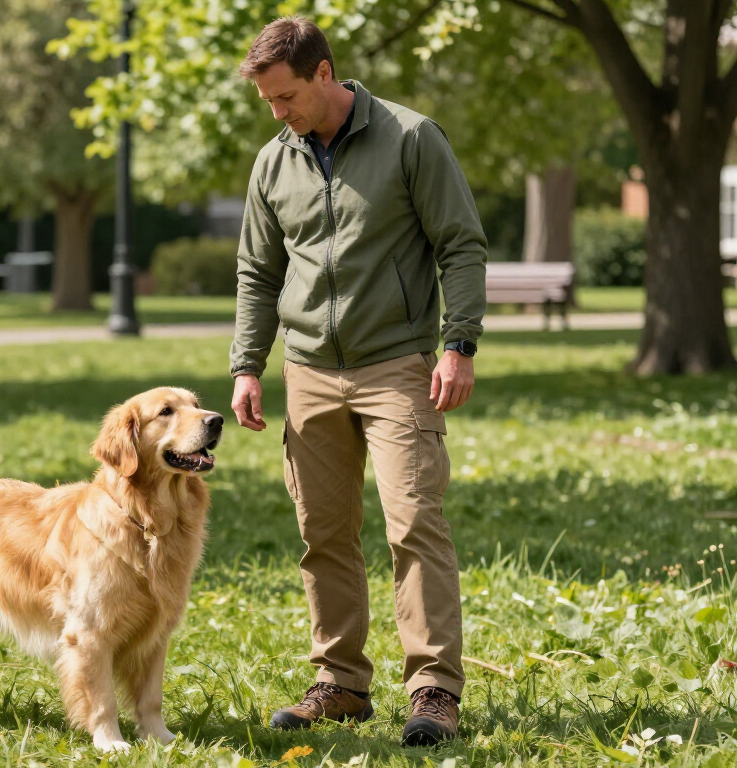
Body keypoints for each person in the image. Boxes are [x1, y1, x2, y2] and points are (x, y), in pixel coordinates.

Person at [228, 16, 487, 747]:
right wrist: (248, 365)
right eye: (269, 104)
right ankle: (339, 683)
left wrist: (457, 345)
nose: (280, 114)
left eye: (286, 98)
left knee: (414, 525)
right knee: (323, 535)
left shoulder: (410, 138)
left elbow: (460, 244)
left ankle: (433, 689)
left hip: (398, 366)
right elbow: (257, 272)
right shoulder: (273, 162)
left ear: (323, 73)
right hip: (309, 372)